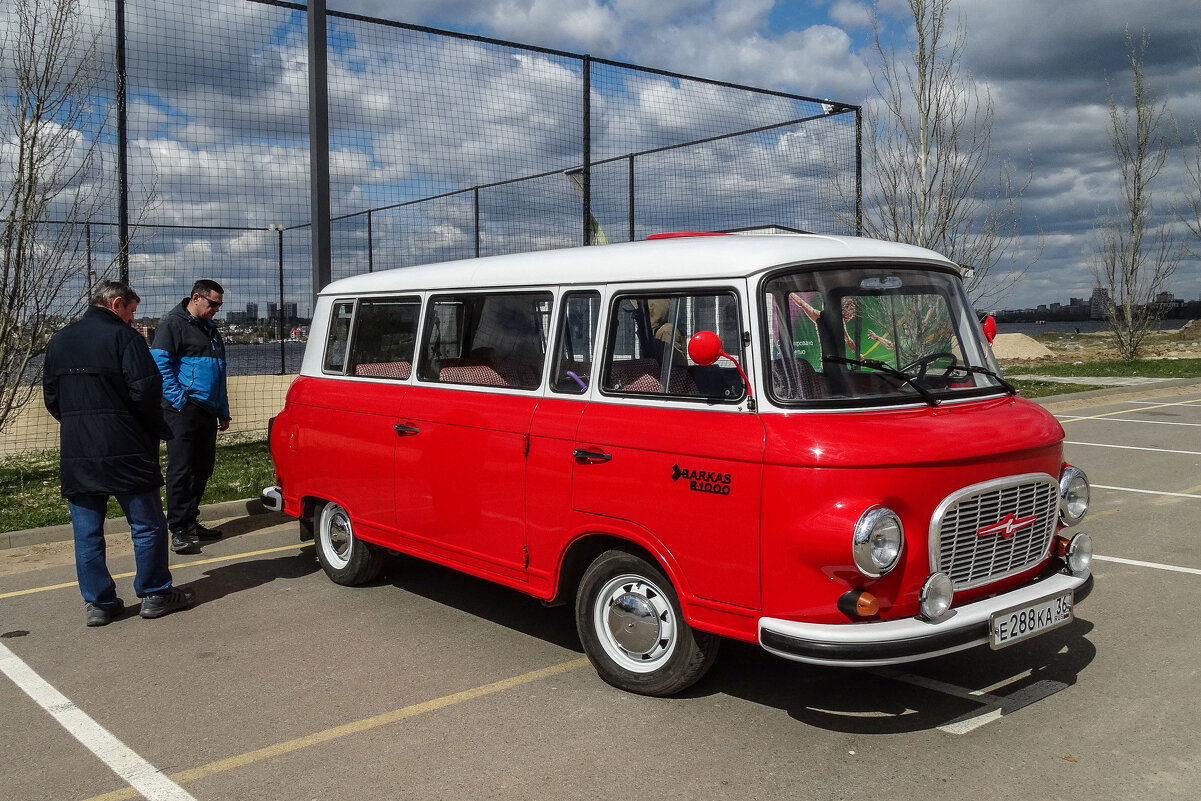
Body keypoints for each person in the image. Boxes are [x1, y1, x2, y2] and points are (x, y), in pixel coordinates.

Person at [42, 281, 197, 626]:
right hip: (127, 447)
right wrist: (154, 428)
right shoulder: (126, 339)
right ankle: (155, 593)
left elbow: (52, 397)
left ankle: (99, 602)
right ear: (116, 304)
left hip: (78, 450)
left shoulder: (60, 340)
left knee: (87, 532)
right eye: (131, 311)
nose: (132, 319)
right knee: (146, 525)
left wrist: (78, 424)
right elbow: (145, 390)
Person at [152, 279, 232, 554]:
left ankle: (190, 519)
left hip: (208, 409)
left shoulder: (210, 330)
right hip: (183, 410)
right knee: (181, 469)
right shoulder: (172, 325)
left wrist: (223, 409)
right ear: (196, 298)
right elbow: (160, 366)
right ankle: (178, 528)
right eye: (213, 304)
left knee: (203, 467)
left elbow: (219, 372)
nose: (216, 309)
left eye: (219, 305)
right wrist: (179, 401)